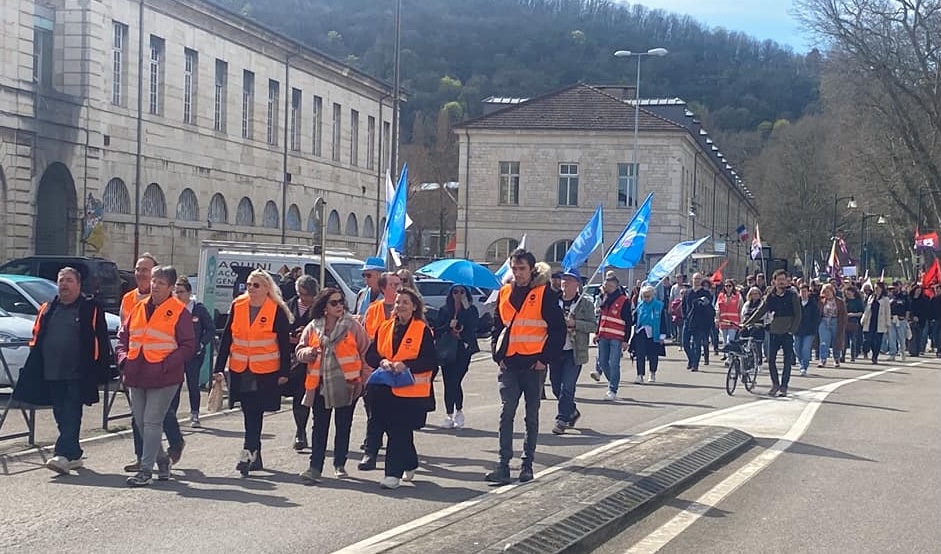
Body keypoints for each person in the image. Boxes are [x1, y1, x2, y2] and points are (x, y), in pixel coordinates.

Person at [12, 267, 112, 474]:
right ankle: (73, 454)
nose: (64, 284)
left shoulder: (89, 307)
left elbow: (100, 339)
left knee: (72, 412)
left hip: (77, 371)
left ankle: (62, 454)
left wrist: (102, 370)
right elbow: (37, 337)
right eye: (61, 281)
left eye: (68, 280)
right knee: (60, 413)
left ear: (77, 284)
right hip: (51, 370)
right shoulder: (48, 308)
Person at [486, 249, 564, 485]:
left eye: (522, 269)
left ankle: (526, 464)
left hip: (533, 364)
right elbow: (497, 326)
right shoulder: (505, 292)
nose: (518, 273)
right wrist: (496, 354)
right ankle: (503, 465)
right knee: (506, 413)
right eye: (515, 268)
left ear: (531, 270)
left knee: (531, 415)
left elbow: (558, 330)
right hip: (509, 363)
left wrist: (544, 359)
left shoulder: (544, 294)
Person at [116, 265, 196, 486]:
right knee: (141, 423)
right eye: (153, 281)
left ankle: (145, 469)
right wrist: (124, 359)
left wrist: (166, 364)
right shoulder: (139, 307)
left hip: (164, 376)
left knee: (151, 421)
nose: (155, 286)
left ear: (170, 287)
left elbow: (188, 345)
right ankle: (162, 460)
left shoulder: (179, 311)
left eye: (161, 283)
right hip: (137, 372)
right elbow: (123, 337)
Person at [214, 269, 293, 476]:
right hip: (241, 368)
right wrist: (218, 367)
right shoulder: (237, 305)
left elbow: (284, 345)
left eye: (256, 285)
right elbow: (226, 339)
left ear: (267, 288)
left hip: (266, 371)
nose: (250, 288)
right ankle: (252, 452)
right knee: (250, 411)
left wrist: (285, 371)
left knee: (255, 411)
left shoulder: (276, 310)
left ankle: (250, 452)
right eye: (248, 284)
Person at [364, 287, 437, 489]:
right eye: (398, 302)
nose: (400, 306)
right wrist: (383, 362)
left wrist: (406, 364)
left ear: (414, 306)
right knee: (393, 431)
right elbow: (370, 355)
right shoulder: (384, 327)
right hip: (384, 389)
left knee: (399, 431)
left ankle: (392, 475)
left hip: (411, 392)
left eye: (405, 302)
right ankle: (410, 462)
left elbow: (431, 361)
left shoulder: (422, 329)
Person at [295, 288, 370, 483]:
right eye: (334, 303)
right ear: (324, 307)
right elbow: (299, 350)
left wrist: (364, 379)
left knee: (343, 425)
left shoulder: (352, 326)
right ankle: (315, 467)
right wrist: (308, 353)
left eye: (341, 302)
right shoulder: (313, 326)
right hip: (320, 384)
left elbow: (366, 353)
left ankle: (339, 464)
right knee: (319, 426)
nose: (339, 306)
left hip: (348, 383)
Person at [358, 271, 402, 470]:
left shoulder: (407, 308)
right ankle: (371, 451)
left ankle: (403, 456)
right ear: (383, 288)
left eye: (399, 284)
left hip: (399, 369)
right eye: (393, 284)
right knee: (373, 412)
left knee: (397, 416)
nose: (397, 288)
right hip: (375, 367)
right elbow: (367, 338)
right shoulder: (374, 309)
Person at [742, 269, 802, 397]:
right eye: (778, 280)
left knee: (787, 361)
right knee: (771, 360)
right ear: (774, 281)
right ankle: (775, 384)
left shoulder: (792, 295)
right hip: (774, 331)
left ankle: (784, 386)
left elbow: (798, 314)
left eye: (783, 279)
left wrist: (792, 330)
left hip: (787, 332)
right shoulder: (770, 295)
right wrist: (747, 323)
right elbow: (761, 310)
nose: (781, 282)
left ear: (787, 281)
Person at [549, 269, 594, 434]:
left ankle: (561, 420)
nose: (564, 283)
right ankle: (572, 411)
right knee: (555, 388)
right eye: (563, 280)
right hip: (555, 350)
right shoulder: (553, 302)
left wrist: (575, 324)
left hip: (574, 352)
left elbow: (593, 325)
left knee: (567, 387)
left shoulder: (585, 304)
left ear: (577, 284)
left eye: (569, 280)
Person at [434, 284, 480, 430]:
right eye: (455, 292)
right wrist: (449, 326)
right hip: (448, 350)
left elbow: (474, 327)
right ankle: (449, 415)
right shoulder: (445, 310)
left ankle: (459, 411)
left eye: (462, 292)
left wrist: (465, 312)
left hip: (462, 350)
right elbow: (437, 330)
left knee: (456, 380)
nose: (458, 294)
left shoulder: (471, 310)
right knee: (448, 382)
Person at [283, 275, 320, 450]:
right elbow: (280, 331)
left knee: (317, 401)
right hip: (295, 362)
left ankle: (317, 433)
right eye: (301, 294)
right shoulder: (288, 306)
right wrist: (290, 339)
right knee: (299, 398)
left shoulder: (320, 310)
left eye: (308, 295)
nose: (304, 298)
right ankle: (300, 431)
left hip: (316, 361)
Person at [172, 277, 214, 428]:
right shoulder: (172, 308)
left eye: (181, 292)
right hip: (176, 353)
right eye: (176, 292)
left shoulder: (198, 309)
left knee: (193, 384)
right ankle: (172, 416)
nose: (179, 295)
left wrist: (201, 344)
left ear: (189, 292)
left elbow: (210, 329)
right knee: (175, 385)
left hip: (194, 354)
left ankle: (194, 414)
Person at [591, 274, 632, 400]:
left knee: (614, 363)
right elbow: (602, 317)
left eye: (608, 285)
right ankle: (612, 382)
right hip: (603, 334)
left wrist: (626, 340)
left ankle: (613, 388)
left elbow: (628, 321)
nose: (605, 287)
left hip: (617, 336)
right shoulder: (605, 298)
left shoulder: (624, 300)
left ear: (614, 285)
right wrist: (597, 333)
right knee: (602, 362)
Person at [632, 285, 665, 385]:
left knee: (653, 354)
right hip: (641, 331)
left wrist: (662, 336)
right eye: (644, 296)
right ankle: (640, 375)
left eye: (648, 296)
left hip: (654, 332)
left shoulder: (659, 306)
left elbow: (663, 321)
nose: (646, 298)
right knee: (640, 354)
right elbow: (635, 319)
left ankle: (652, 372)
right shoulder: (640, 305)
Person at [682, 273, 714, 371]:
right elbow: (683, 306)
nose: (697, 281)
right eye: (695, 279)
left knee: (697, 344)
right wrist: (685, 317)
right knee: (685, 343)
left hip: (700, 323)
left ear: (701, 280)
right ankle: (691, 360)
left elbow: (709, 308)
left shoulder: (706, 293)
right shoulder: (688, 292)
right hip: (688, 321)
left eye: (699, 279)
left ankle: (695, 364)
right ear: (692, 280)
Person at [817, 283, 847, 368]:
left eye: (828, 291)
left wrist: (843, 324)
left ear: (832, 291)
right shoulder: (821, 301)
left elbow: (844, 314)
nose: (827, 293)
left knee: (836, 341)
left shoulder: (839, 301)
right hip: (824, 321)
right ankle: (823, 359)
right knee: (824, 342)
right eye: (825, 291)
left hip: (835, 321)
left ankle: (836, 358)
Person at [861, 282, 891, 364]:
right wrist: (863, 319)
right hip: (870, 321)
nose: (876, 290)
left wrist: (888, 323)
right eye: (875, 288)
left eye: (877, 288)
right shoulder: (871, 297)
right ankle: (866, 351)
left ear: (881, 289)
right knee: (868, 340)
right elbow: (867, 309)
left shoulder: (885, 299)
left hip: (880, 322)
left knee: (877, 341)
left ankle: (875, 356)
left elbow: (887, 312)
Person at [794, 284, 820, 376]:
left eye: (805, 291)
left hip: (809, 331)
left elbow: (816, 317)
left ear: (808, 292)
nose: (803, 293)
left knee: (805, 349)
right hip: (797, 330)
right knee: (797, 348)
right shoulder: (796, 302)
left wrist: (814, 327)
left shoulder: (813, 303)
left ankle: (804, 367)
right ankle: (801, 362)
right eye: (801, 291)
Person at [885, 282, 910, 361]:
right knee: (892, 337)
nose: (894, 288)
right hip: (891, 319)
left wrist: (906, 319)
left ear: (899, 287)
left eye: (896, 286)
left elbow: (908, 308)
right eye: (893, 287)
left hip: (901, 319)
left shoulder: (904, 296)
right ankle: (892, 354)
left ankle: (902, 352)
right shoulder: (889, 297)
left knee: (901, 338)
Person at [843, 285, 865, 362]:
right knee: (844, 340)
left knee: (853, 340)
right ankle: (843, 355)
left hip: (854, 321)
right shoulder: (845, 301)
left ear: (853, 293)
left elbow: (861, 312)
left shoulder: (858, 301)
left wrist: (852, 314)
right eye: (846, 294)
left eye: (849, 294)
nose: (847, 295)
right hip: (845, 321)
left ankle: (853, 356)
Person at [908, 285, 930, 356]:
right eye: (917, 290)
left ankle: (918, 350)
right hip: (911, 320)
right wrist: (912, 317)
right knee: (912, 336)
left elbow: (925, 310)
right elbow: (908, 309)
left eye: (920, 291)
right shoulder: (910, 299)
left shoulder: (923, 300)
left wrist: (919, 318)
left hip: (921, 320)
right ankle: (912, 351)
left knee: (919, 336)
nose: (918, 292)